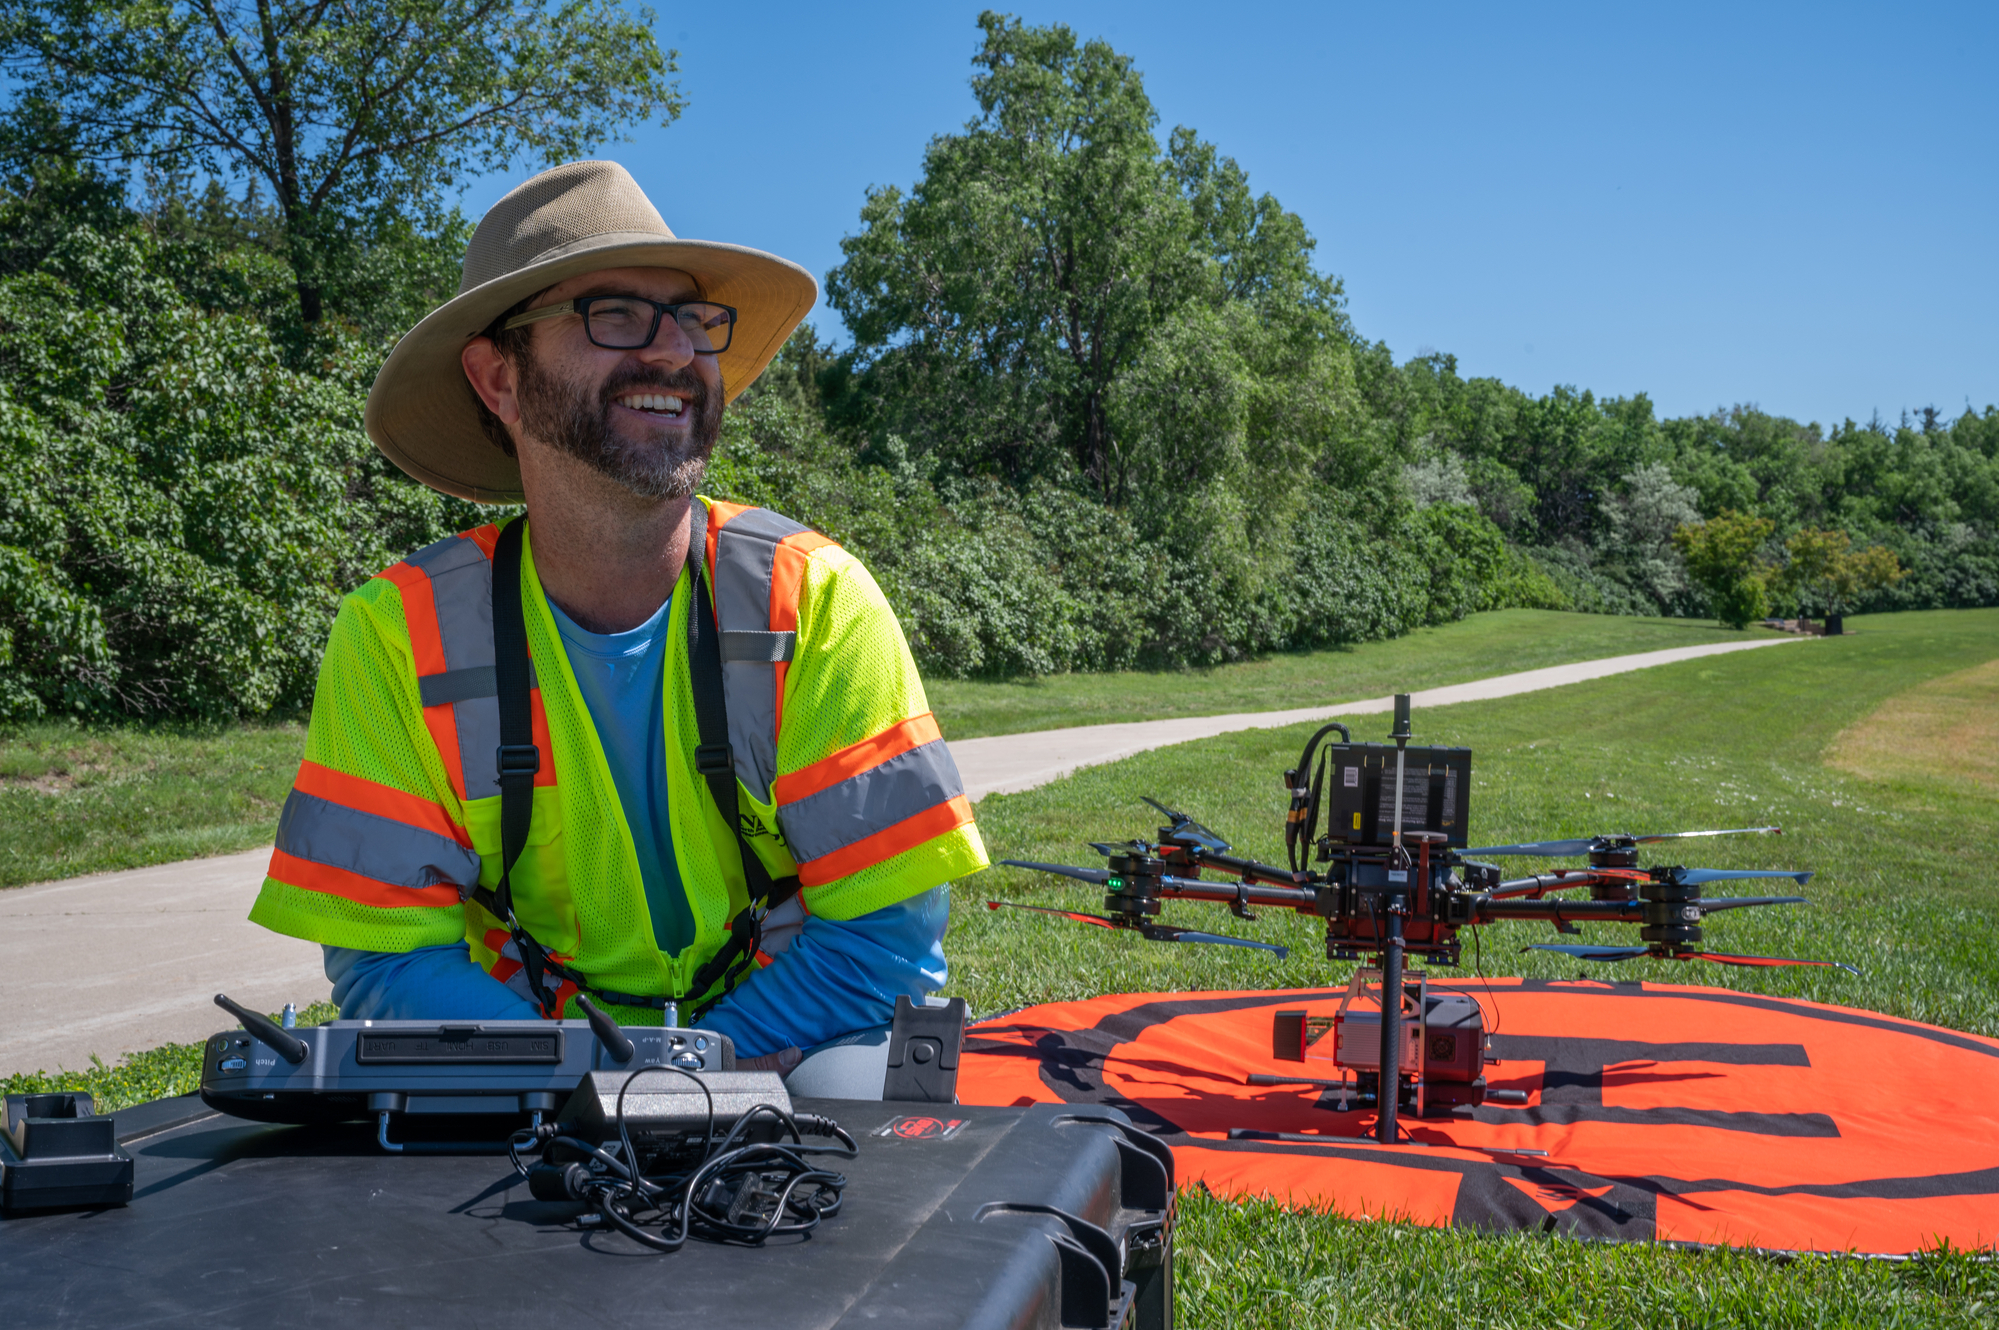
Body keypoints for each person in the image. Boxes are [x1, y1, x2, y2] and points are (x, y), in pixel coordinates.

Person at [248, 160, 988, 1095]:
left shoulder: (817, 600)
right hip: (533, 1074)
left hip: (795, 1047)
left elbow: (884, 939)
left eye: (692, 319)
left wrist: (673, 1085)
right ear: (498, 379)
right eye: (615, 314)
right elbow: (386, 962)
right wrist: (582, 1086)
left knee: (855, 1095)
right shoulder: (395, 633)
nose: (675, 352)